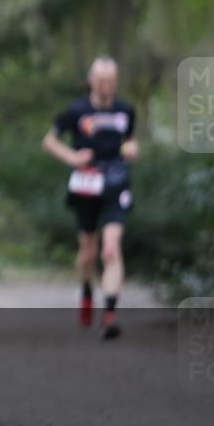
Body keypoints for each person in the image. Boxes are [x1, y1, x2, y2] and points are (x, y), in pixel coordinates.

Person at [42, 57, 138, 340]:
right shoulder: (76, 110)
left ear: (116, 82)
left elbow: (130, 139)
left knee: (110, 250)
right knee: (88, 253)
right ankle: (86, 288)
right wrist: (72, 157)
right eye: (100, 80)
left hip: (116, 183)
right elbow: (48, 141)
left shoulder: (126, 110)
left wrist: (131, 148)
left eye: (110, 80)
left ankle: (109, 314)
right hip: (86, 184)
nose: (105, 85)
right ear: (91, 81)